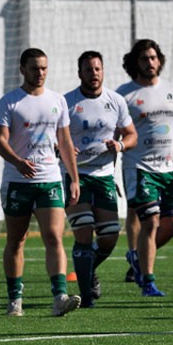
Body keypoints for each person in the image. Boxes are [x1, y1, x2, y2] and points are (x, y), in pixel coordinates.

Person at [0, 48, 81, 316]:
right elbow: (0, 141)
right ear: (22, 69)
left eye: (43, 68)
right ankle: (14, 301)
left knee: (54, 237)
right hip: (17, 182)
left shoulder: (57, 100)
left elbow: (65, 141)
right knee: (16, 240)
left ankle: (59, 298)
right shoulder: (9, 102)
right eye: (34, 68)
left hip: (50, 179)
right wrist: (18, 161)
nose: (40, 73)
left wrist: (74, 178)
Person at [118, 39, 173, 296]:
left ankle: (138, 258)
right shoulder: (124, 95)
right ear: (136, 63)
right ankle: (148, 280)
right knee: (150, 221)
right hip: (138, 167)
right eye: (144, 59)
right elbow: (114, 134)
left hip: (166, 169)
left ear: (160, 61)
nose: (150, 63)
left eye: (153, 58)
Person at [64, 51, 138, 307]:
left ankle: (87, 271)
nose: (93, 74)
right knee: (83, 234)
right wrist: (61, 148)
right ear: (79, 73)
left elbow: (131, 135)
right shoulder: (67, 102)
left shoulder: (115, 101)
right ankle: (85, 296)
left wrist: (119, 145)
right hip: (76, 176)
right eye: (88, 69)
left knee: (108, 238)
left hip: (104, 177)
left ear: (103, 71)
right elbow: (53, 136)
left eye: (97, 69)